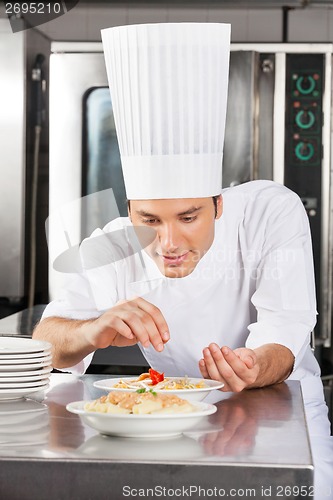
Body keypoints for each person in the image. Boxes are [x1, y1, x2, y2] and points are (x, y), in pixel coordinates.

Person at [33, 23, 323, 398]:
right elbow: (46, 341)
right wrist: (91, 330)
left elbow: (285, 328)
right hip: (175, 407)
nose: (168, 242)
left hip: (283, 408)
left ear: (218, 204)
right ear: (130, 211)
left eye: (188, 217)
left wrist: (252, 367)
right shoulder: (115, 245)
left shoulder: (269, 212)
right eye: (149, 220)